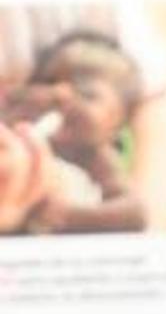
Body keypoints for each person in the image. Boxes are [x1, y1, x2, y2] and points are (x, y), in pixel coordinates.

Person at [4, 30, 147, 233]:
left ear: (115, 128)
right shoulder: (21, 133)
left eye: (86, 94)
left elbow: (135, 214)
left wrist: (67, 215)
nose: (61, 93)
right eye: (49, 83)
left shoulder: (94, 156)